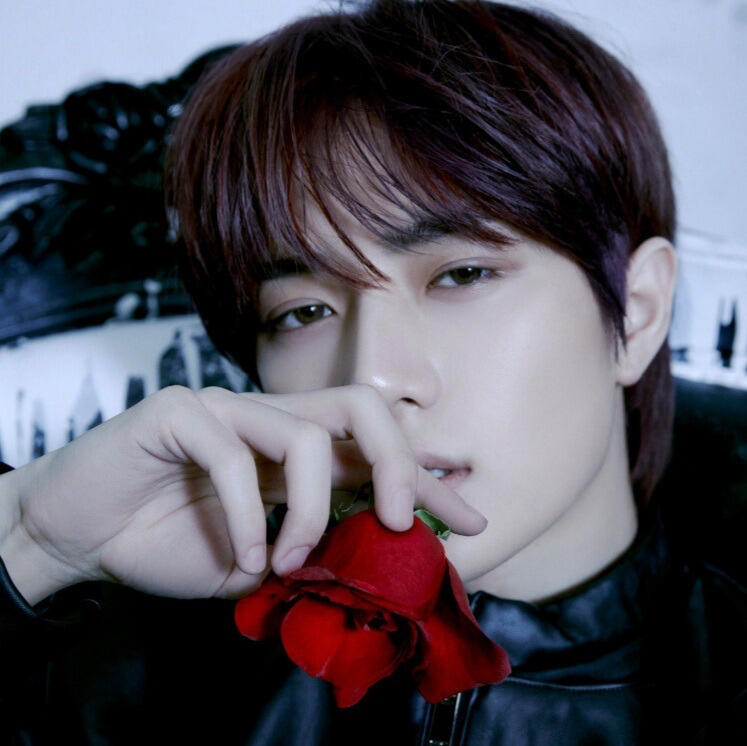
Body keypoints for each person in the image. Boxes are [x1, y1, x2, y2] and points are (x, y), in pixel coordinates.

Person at [0, 1, 744, 743]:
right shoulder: (126, 655)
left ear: (637, 313)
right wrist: (32, 541)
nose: (372, 379)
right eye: (303, 312)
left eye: (461, 274)